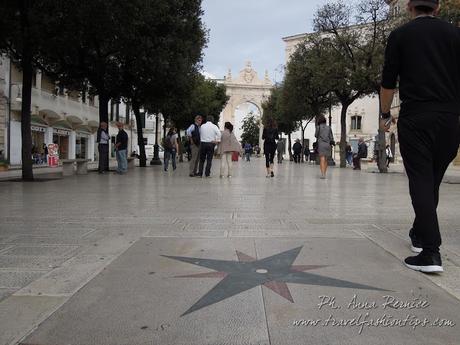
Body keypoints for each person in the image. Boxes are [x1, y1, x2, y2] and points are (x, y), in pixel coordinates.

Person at [380, 0, 460, 273]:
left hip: (416, 118)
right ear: (437, 8)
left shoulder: (400, 36)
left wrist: (384, 114)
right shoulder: (455, 34)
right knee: (432, 181)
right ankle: (418, 233)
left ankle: (431, 252)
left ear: (409, 7)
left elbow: (388, 83)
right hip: (450, 119)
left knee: (421, 183)